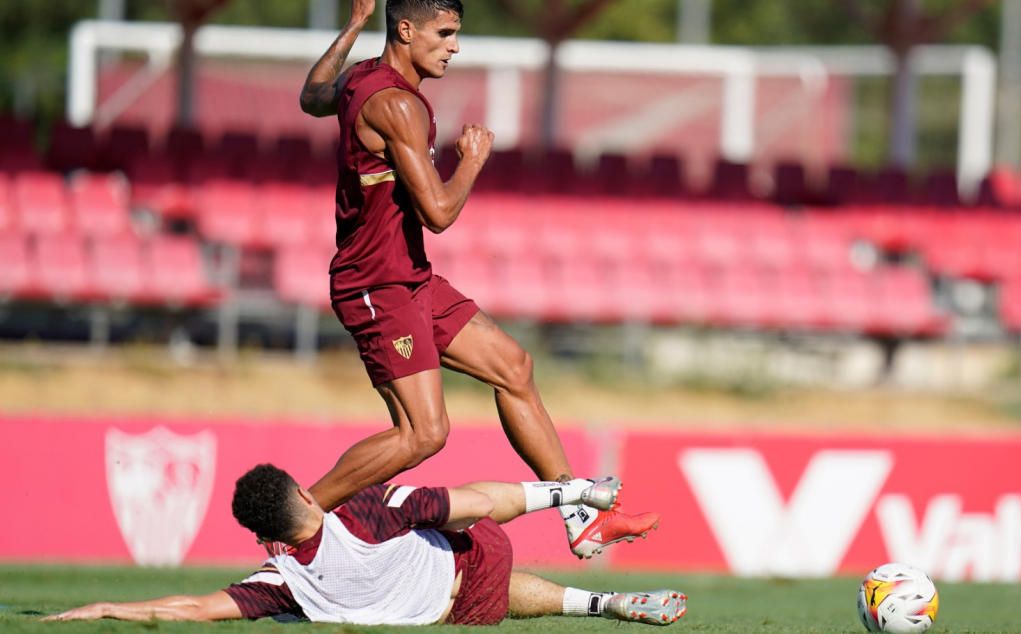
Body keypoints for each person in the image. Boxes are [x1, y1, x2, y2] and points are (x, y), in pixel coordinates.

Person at [297, 0, 659, 560]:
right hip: (376, 283)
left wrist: (352, 28)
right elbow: (438, 213)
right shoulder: (396, 105)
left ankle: (581, 518)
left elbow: (312, 95)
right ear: (407, 29)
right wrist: (471, 159)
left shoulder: (362, 78)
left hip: (410, 276)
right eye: (444, 34)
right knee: (424, 434)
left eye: (456, 34)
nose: (454, 47)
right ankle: (294, 523)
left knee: (513, 366)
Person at [44, 464, 687, 626]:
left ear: (266, 537)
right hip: (468, 556)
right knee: (456, 504)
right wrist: (568, 492)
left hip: (456, 612)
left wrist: (105, 609)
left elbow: (193, 608)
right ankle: (575, 493)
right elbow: (483, 504)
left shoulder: (277, 584)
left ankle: (609, 605)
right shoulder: (363, 509)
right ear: (301, 488)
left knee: (467, 566)